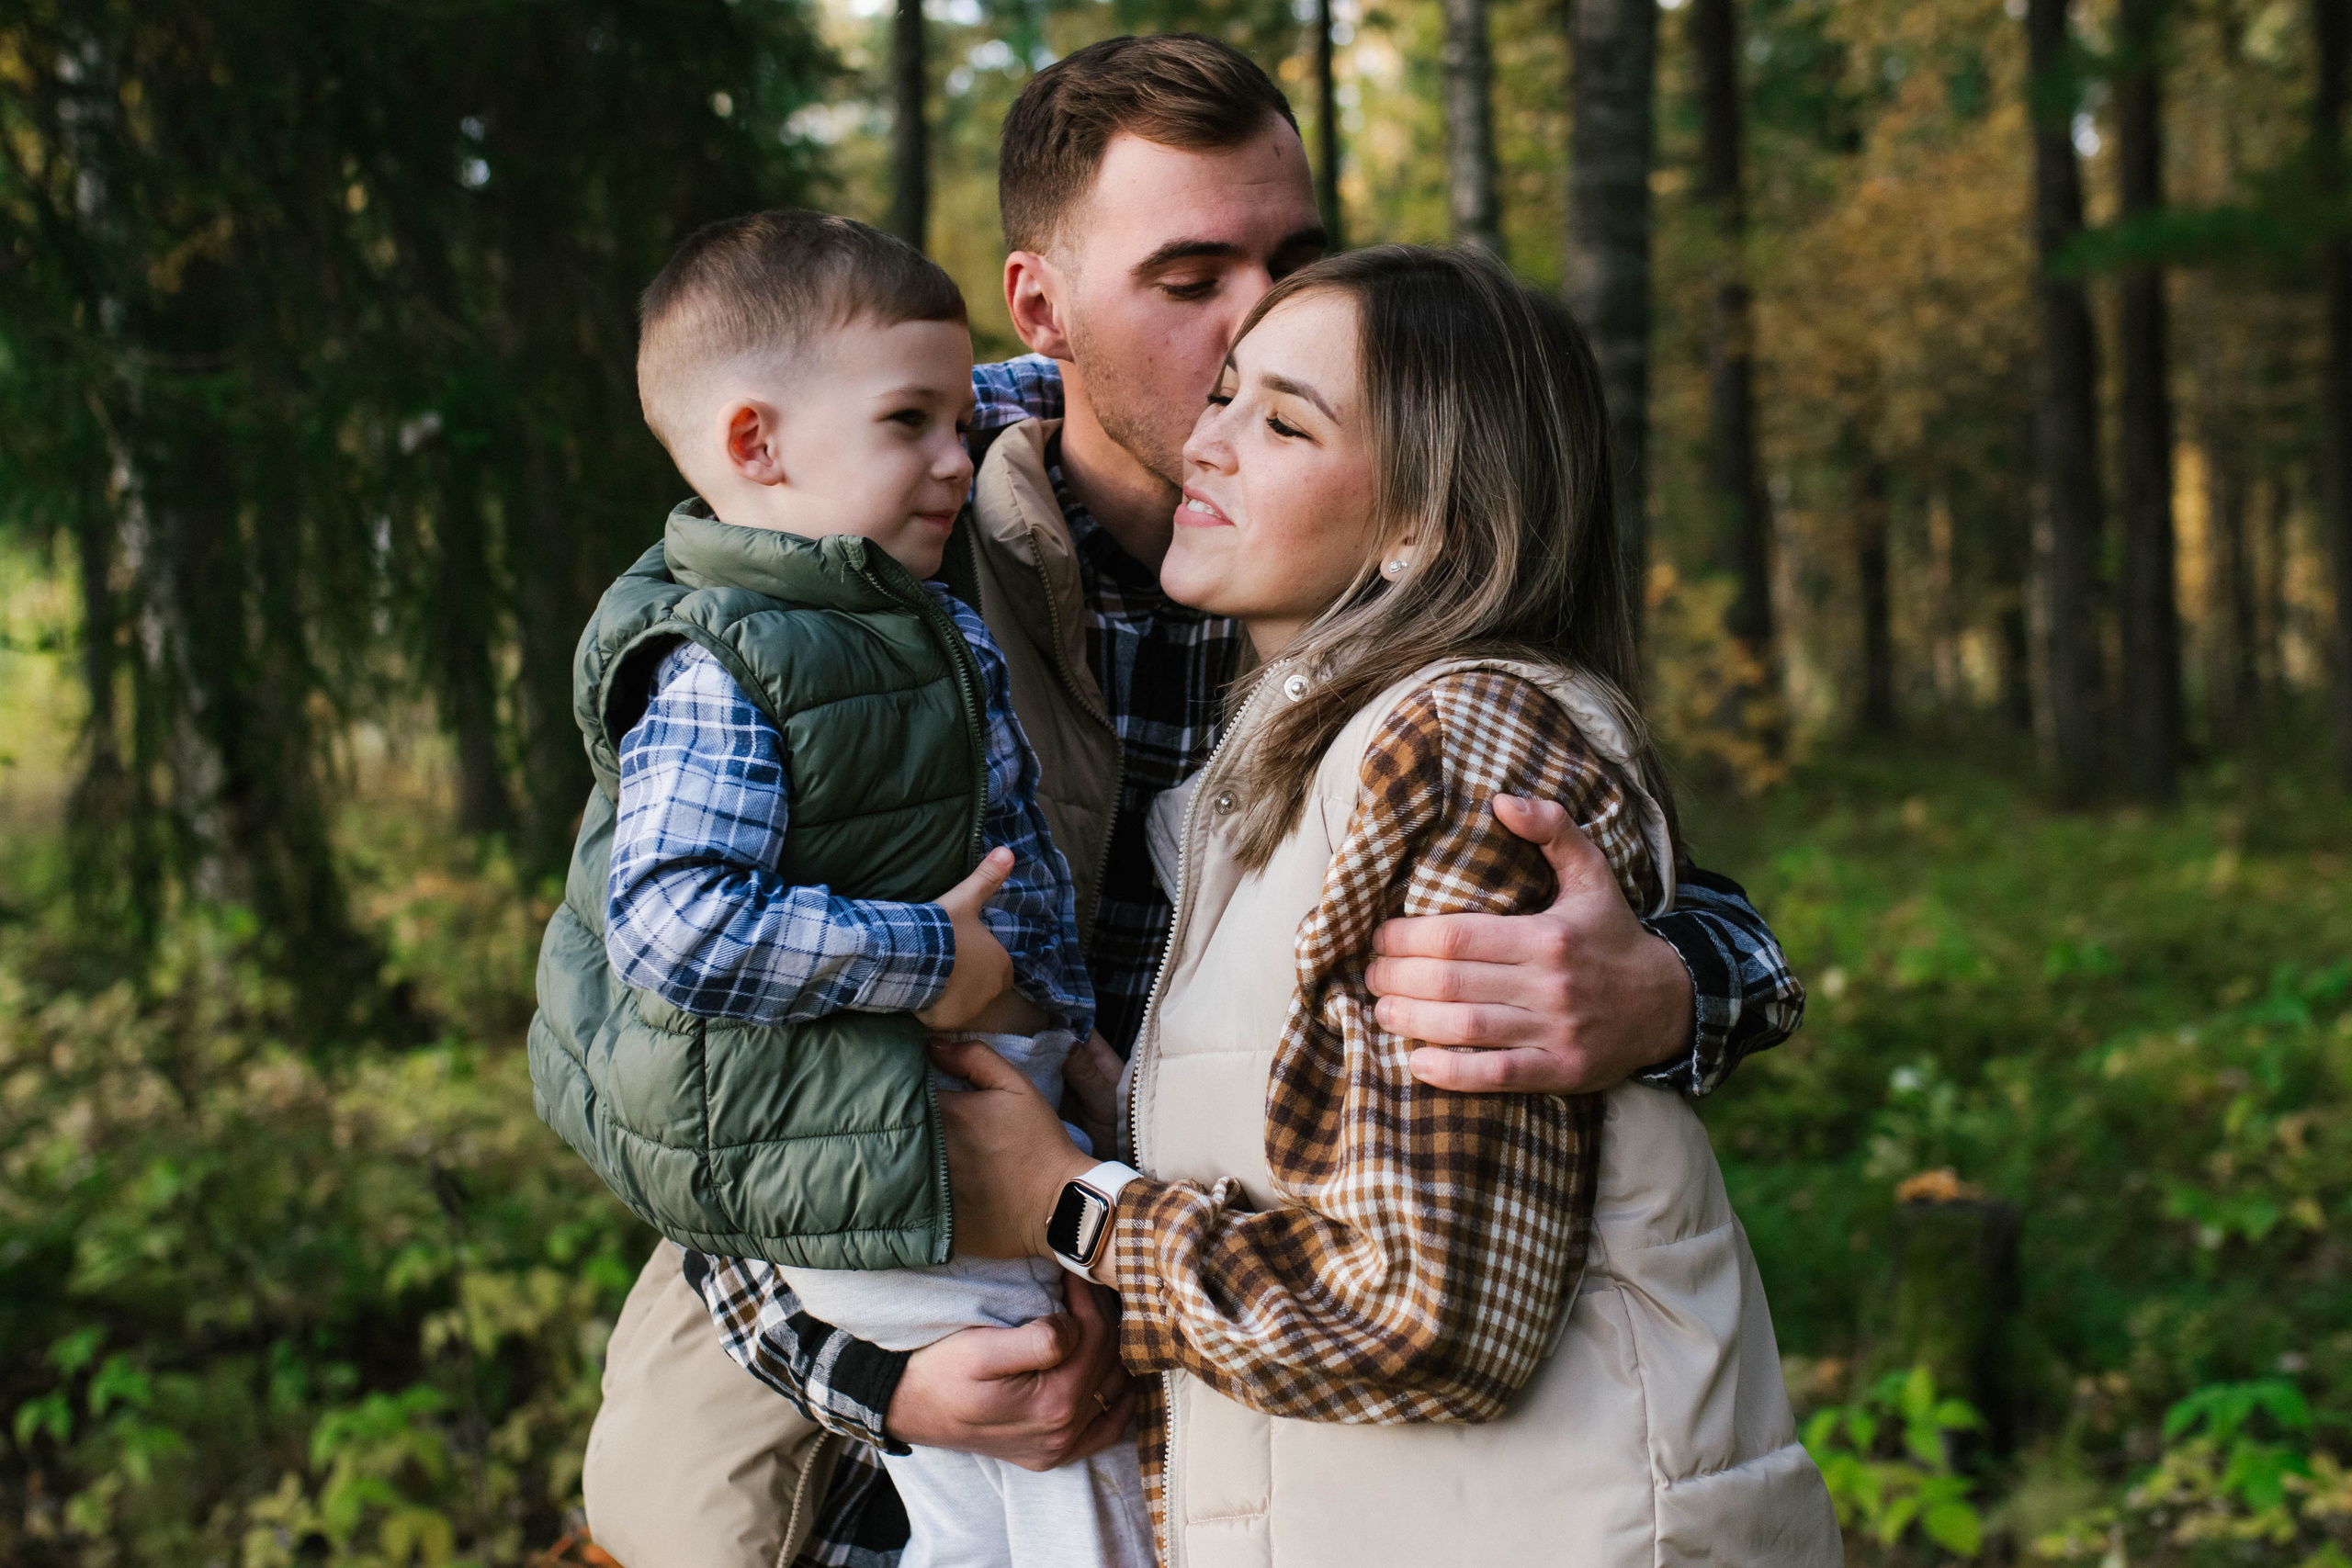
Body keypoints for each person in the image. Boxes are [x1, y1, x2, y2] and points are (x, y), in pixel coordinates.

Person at [571, 35, 1808, 1568]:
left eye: (1293, 255)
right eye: (1188, 276)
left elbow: (1636, 871)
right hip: (878, 1364)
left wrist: (1670, 991)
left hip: (1257, 1387)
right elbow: (665, 1034)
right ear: (1043, 309)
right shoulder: (855, 516)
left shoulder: (1366, 553)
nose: (1259, 311)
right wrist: (885, 1383)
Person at [934, 243, 1843, 1566]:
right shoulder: (1302, 769)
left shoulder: (1458, 747)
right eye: (1226, 392)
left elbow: (1430, 1320)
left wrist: (1073, 1202)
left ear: (1429, 529)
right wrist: (1120, 1099)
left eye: (1284, 421)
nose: (1212, 441)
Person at [530, 209, 1149, 1568]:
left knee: (983, 1523)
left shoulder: (842, 576)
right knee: (1086, 1504)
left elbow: (986, 391)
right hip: (901, 1163)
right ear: (756, 445)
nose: (960, 455)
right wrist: (932, 962)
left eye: (960, 414)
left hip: (962, 1135)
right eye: (916, 424)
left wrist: (1095, 373)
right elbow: (672, 926)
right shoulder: (726, 664)